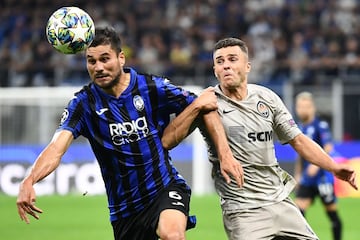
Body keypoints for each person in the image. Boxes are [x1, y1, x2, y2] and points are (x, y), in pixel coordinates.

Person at [16, 27, 243, 240]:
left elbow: (206, 104)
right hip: (124, 211)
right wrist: (29, 180)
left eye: (105, 59)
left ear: (120, 58)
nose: (99, 67)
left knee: (172, 235)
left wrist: (225, 155)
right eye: (91, 61)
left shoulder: (151, 87)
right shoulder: (83, 104)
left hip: (164, 188)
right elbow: (57, 148)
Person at [162, 37, 357, 240]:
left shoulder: (267, 98)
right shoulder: (207, 104)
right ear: (215, 71)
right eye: (220, 61)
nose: (226, 65)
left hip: (280, 201)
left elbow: (298, 140)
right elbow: (167, 141)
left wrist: (334, 167)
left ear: (247, 67)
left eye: (232, 59)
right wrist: (196, 106)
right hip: (243, 210)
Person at [294, 91, 342, 240]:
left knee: (332, 214)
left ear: (312, 108)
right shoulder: (299, 128)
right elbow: (301, 155)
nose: (303, 110)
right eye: (300, 107)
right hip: (307, 179)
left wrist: (317, 164)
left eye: (306, 107)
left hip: (323, 179)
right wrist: (298, 174)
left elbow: (328, 146)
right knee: (297, 214)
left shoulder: (320, 126)